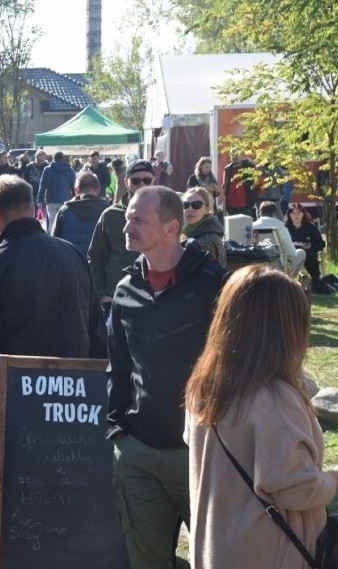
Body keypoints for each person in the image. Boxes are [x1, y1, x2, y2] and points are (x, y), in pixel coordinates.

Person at [184, 265, 338, 568]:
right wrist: (337, 479)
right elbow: (294, 488)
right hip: (266, 552)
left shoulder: (203, 386)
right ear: (286, 326)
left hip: (214, 548)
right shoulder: (275, 399)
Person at [107, 186, 226, 569]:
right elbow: (119, 365)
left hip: (201, 453)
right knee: (146, 562)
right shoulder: (126, 288)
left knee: (217, 557)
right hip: (138, 451)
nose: (127, 225)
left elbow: (234, 364)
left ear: (172, 227)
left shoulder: (213, 284)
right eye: (128, 216)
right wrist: (119, 430)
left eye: (138, 219)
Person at [0, 175, 106, 410]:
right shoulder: (71, 253)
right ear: (32, 208)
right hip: (72, 392)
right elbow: (96, 328)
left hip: (17, 392)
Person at [88, 160, 152, 315]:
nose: (142, 184)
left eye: (147, 180)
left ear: (154, 181)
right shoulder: (111, 215)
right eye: (136, 180)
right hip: (118, 296)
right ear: (125, 182)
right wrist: (102, 293)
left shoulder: (164, 214)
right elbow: (95, 258)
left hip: (156, 296)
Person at [51, 171, 108, 255]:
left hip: (71, 264)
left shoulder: (64, 212)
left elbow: (55, 242)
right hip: (98, 266)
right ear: (98, 190)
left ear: (76, 190)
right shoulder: (108, 212)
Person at [252, 201, 305, 275]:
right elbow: (291, 252)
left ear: (260, 213)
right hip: (278, 267)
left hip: (257, 267)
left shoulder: (252, 226)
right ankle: (288, 281)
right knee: (301, 253)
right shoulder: (281, 226)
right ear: (275, 213)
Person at [181, 187, 226, 268]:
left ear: (207, 209)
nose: (189, 209)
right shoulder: (186, 232)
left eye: (196, 205)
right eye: (186, 205)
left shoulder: (205, 242)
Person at [285, 203, 325, 284]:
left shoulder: (311, 226)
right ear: (289, 215)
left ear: (303, 213)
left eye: (299, 213)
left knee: (309, 253)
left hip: (308, 251)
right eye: (293, 213)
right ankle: (287, 279)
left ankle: (315, 279)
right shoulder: (285, 227)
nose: (296, 216)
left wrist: (311, 246)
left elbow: (321, 244)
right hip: (290, 253)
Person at [38, 151, 76, 233]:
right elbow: (73, 187)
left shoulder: (47, 170)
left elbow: (42, 186)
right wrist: (75, 198)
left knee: (52, 222)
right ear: (63, 158)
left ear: (53, 158)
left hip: (51, 200)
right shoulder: (69, 170)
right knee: (64, 223)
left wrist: (40, 200)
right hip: (66, 200)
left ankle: (51, 242)